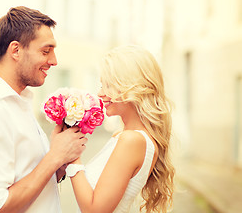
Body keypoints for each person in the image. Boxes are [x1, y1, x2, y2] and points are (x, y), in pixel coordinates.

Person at [0, 6, 87, 213]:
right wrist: (54, 156)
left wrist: (60, 161)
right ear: (16, 50)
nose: (54, 61)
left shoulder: (18, 102)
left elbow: (30, 177)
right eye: (46, 51)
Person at [65, 45, 175, 213]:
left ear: (132, 86)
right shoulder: (125, 136)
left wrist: (72, 156)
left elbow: (94, 210)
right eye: (101, 85)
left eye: (108, 85)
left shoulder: (132, 140)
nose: (100, 93)